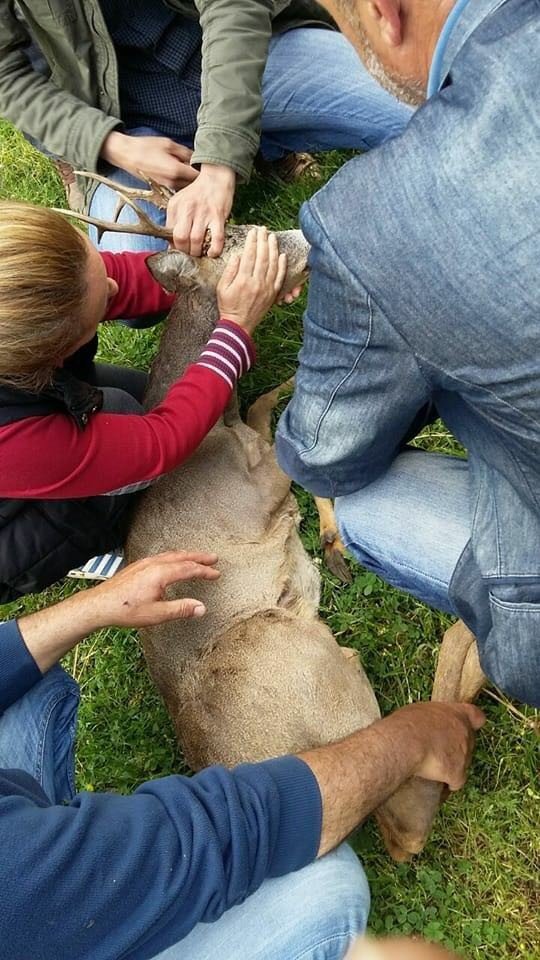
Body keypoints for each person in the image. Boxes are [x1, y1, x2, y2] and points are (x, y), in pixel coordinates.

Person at [0, 549, 485, 960]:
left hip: (29, 874)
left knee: (27, 688)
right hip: (27, 895)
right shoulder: (17, 874)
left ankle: (57, 861)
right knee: (324, 887)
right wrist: (410, 738)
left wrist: (96, 605)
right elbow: (215, 836)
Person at [275, 0, 540, 706]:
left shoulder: (370, 221)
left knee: (360, 505)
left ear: (380, 15)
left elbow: (325, 453)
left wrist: (393, 323)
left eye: (342, 27)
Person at [0, 202, 288, 600]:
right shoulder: (12, 443)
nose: (112, 288)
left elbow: (115, 279)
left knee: (143, 399)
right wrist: (235, 328)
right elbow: (163, 442)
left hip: (26, 401)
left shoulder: (15, 297)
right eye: (102, 305)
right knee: (126, 427)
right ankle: (92, 547)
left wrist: (212, 277)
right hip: (10, 533)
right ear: (48, 353)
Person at [0, 0, 413, 261]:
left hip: (242, 56)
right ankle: (254, 148)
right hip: (124, 122)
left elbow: (233, 6)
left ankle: (252, 146)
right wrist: (109, 144)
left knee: (413, 109)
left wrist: (219, 161)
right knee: (133, 267)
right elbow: (8, 77)